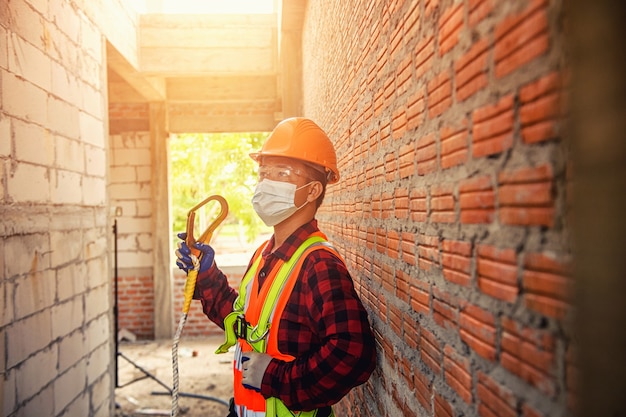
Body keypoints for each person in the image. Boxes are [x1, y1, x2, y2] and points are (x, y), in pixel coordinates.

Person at [175, 117, 376, 417]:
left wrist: (274, 377)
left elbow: (353, 353)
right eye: (263, 173)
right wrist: (207, 276)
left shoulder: (318, 264)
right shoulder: (264, 254)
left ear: (312, 191)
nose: (266, 183)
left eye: (281, 172)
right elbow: (244, 324)